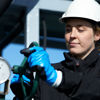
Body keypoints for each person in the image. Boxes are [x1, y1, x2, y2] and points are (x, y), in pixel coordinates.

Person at [10, 0, 100, 100]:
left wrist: (57, 78)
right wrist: (23, 93)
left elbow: (92, 89)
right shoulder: (47, 75)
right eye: (68, 30)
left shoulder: (52, 75)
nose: (72, 35)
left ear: (97, 34)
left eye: (80, 30)